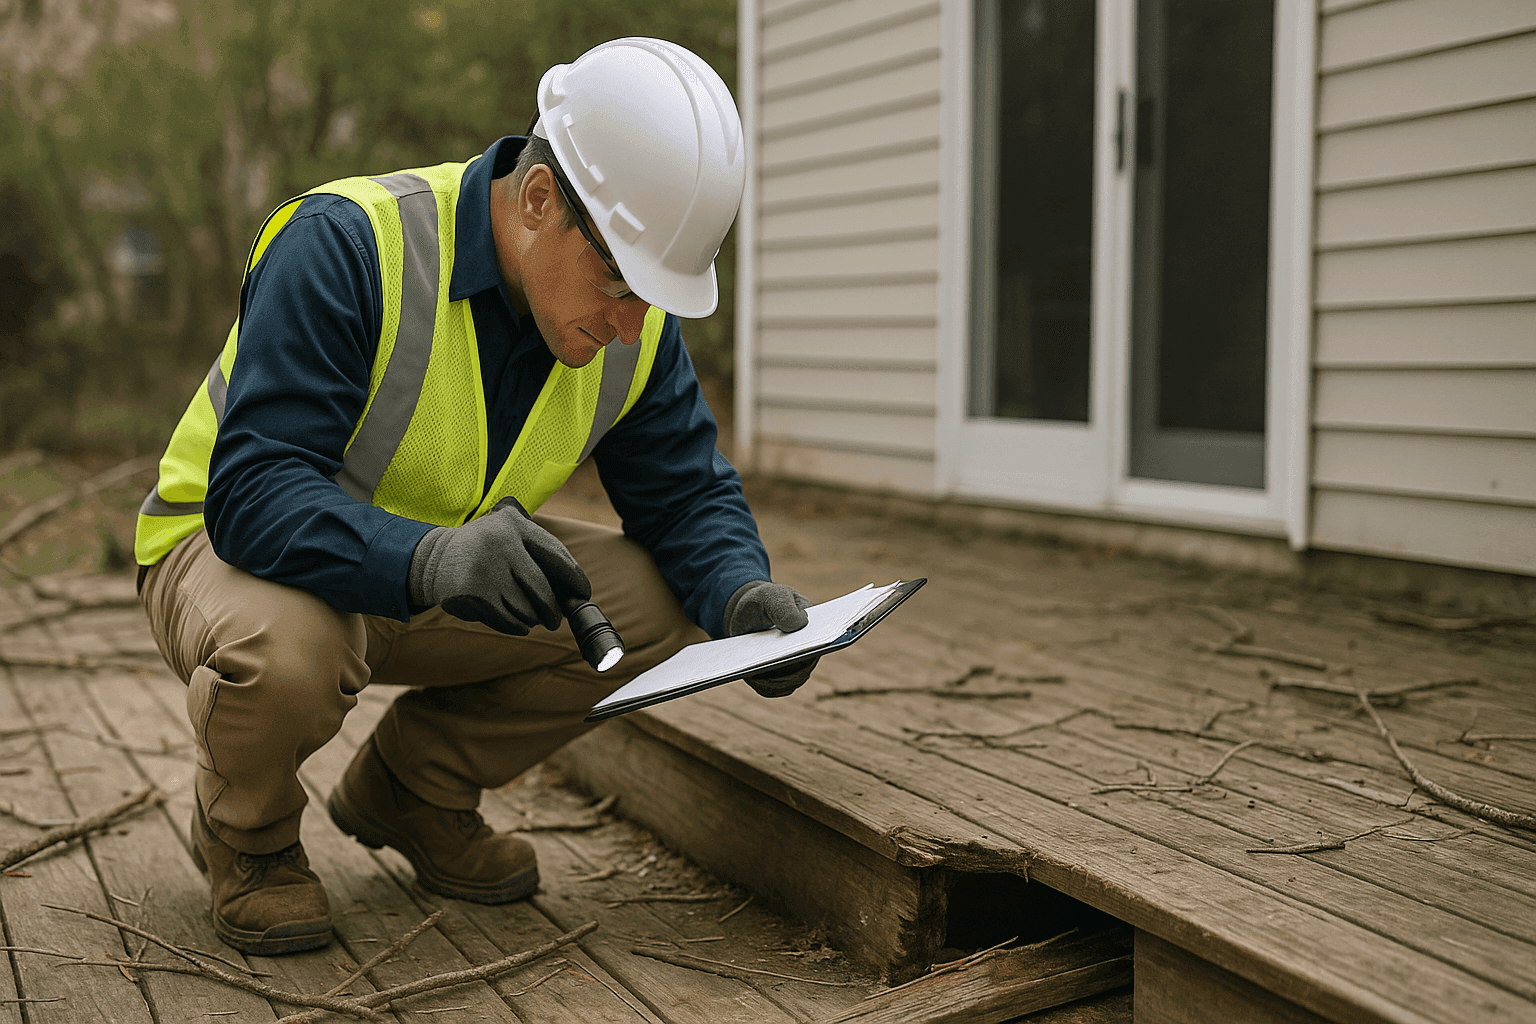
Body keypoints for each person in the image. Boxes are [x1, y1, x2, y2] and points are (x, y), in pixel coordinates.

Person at [134, 37, 816, 956]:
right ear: (538, 201)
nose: (630, 327)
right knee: (290, 647)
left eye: (653, 296)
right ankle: (246, 837)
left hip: (431, 573)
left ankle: (414, 792)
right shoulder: (346, 247)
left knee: (658, 602)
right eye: (619, 282)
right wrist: (430, 559)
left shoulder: (632, 329)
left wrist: (741, 594)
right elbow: (255, 493)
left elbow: (688, 499)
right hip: (225, 554)